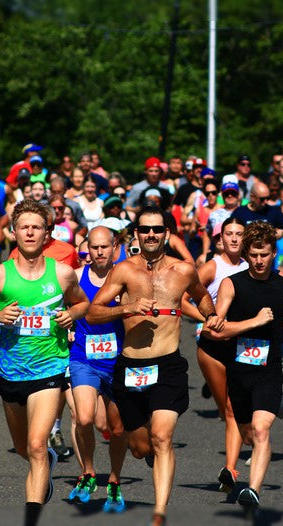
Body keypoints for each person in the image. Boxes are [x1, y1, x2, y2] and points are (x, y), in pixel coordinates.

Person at [86, 206, 223, 526]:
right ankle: (147, 453)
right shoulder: (124, 271)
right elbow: (92, 312)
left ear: (167, 234)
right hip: (130, 366)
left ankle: (159, 513)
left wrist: (211, 316)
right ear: (136, 234)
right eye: (144, 230)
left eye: (157, 230)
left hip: (167, 365)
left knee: (162, 437)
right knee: (138, 447)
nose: (150, 235)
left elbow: (202, 298)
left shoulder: (184, 270)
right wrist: (129, 308)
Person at [0, 200, 89, 525]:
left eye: (36, 227)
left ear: (47, 233)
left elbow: (82, 303)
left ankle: (32, 517)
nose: (30, 232)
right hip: (10, 372)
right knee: (24, 449)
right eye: (24, 227)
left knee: (35, 444)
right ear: (13, 232)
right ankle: (44, 463)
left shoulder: (61, 273)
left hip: (50, 368)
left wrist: (70, 315)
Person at [205, 221, 283, 512]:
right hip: (238, 370)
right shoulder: (232, 284)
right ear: (246, 254)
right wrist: (254, 322)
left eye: (264, 255)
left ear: (273, 254)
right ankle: (276, 404)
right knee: (246, 432)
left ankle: (253, 490)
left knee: (261, 429)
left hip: (269, 369)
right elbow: (220, 328)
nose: (258, 261)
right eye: (254, 255)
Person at [181, 217, 248, 492]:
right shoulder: (211, 267)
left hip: (243, 345)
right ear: (220, 238)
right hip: (213, 348)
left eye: (239, 234)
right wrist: (206, 318)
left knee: (235, 411)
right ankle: (240, 450)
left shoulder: (251, 265)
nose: (233, 238)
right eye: (228, 234)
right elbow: (183, 300)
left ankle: (230, 469)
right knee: (227, 411)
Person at [67, 226, 128, 512]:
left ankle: (114, 479)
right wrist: (64, 326)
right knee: (84, 417)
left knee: (115, 429)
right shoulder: (76, 278)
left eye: (105, 247)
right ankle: (89, 473)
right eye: (94, 247)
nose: (100, 252)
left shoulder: (125, 277)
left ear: (114, 246)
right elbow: (61, 308)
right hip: (83, 358)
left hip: (118, 361)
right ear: (87, 249)